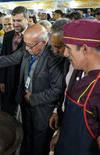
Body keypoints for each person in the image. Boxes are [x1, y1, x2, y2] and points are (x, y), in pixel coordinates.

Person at [0, 24, 65, 155]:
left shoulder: (54, 58)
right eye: (25, 44)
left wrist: (33, 98)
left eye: (30, 46)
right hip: (25, 103)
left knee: (39, 144)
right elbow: (8, 59)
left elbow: (57, 90)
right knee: (26, 138)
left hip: (43, 110)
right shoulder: (28, 48)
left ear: (43, 43)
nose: (26, 48)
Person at [52, 19, 100, 154]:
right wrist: (61, 134)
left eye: (68, 48)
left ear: (85, 49)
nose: (65, 54)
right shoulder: (78, 71)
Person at [0, 6, 28, 117]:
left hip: (25, 84)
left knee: (25, 118)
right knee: (8, 115)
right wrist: (2, 80)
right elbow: (3, 58)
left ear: (27, 19)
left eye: (19, 21)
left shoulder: (33, 35)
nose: (15, 24)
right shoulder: (7, 36)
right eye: (14, 21)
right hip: (8, 82)